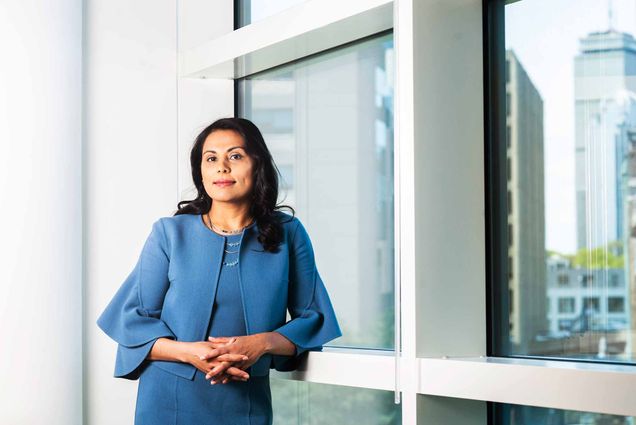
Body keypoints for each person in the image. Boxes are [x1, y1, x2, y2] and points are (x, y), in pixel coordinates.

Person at [96, 117, 342, 425]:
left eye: (235, 156)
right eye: (211, 158)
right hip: (167, 402)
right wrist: (188, 353)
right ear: (201, 171)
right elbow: (131, 321)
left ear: (258, 164)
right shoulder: (169, 234)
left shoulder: (288, 233)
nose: (221, 167)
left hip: (246, 404)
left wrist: (261, 343)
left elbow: (314, 319)